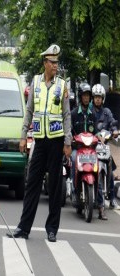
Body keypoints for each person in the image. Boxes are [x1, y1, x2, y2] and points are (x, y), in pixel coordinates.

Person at [7, 44, 72, 243]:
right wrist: (22, 135)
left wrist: (68, 142)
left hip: (56, 140)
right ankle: (23, 228)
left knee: (54, 185)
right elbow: (28, 111)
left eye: (57, 62)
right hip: (39, 141)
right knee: (32, 183)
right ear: (45, 63)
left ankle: (52, 229)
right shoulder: (35, 82)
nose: (55, 66)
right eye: (52, 62)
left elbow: (66, 114)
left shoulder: (62, 86)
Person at [69, 83, 97, 213]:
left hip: (90, 150)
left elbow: (96, 132)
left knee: (100, 164)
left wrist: (100, 138)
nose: (86, 98)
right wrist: (71, 140)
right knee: (74, 159)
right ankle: (75, 190)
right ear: (80, 97)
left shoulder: (93, 114)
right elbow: (68, 131)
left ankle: (100, 199)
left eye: (88, 96)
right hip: (77, 148)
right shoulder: (74, 113)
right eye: (84, 95)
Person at [92, 84, 119, 211]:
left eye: (100, 97)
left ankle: (112, 198)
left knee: (110, 171)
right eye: (96, 97)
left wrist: (114, 131)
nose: (98, 99)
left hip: (104, 147)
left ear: (103, 98)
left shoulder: (107, 112)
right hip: (92, 147)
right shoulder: (90, 112)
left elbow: (113, 123)